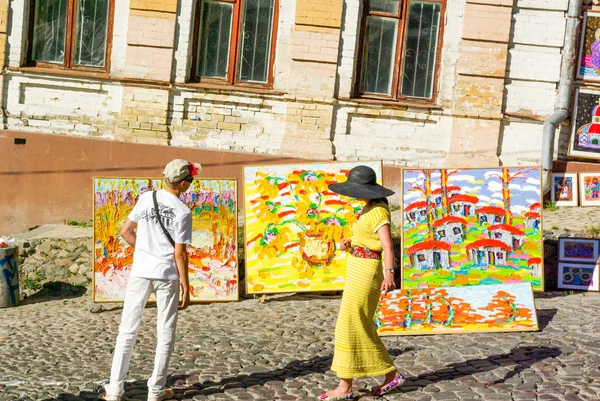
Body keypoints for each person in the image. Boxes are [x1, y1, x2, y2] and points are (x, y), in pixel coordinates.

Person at [102, 159, 201, 401]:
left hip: (140, 271)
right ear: (184, 184)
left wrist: (145, 250)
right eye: (190, 180)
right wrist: (186, 286)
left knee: (127, 330)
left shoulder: (147, 198)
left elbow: (125, 232)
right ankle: (156, 390)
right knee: (165, 331)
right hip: (166, 275)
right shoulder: (183, 212)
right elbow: (180, 253)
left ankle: (114, 390)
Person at [319, 165, 405, 400]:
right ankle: (386, 375)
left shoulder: (378, 211)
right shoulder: (368, 208)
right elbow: (369, 239)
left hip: (368, 272)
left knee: (350, 323)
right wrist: (352, 241)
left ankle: (347, 386)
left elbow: (387, 245)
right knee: (356, 323)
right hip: (358, 268)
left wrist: (390, 274)